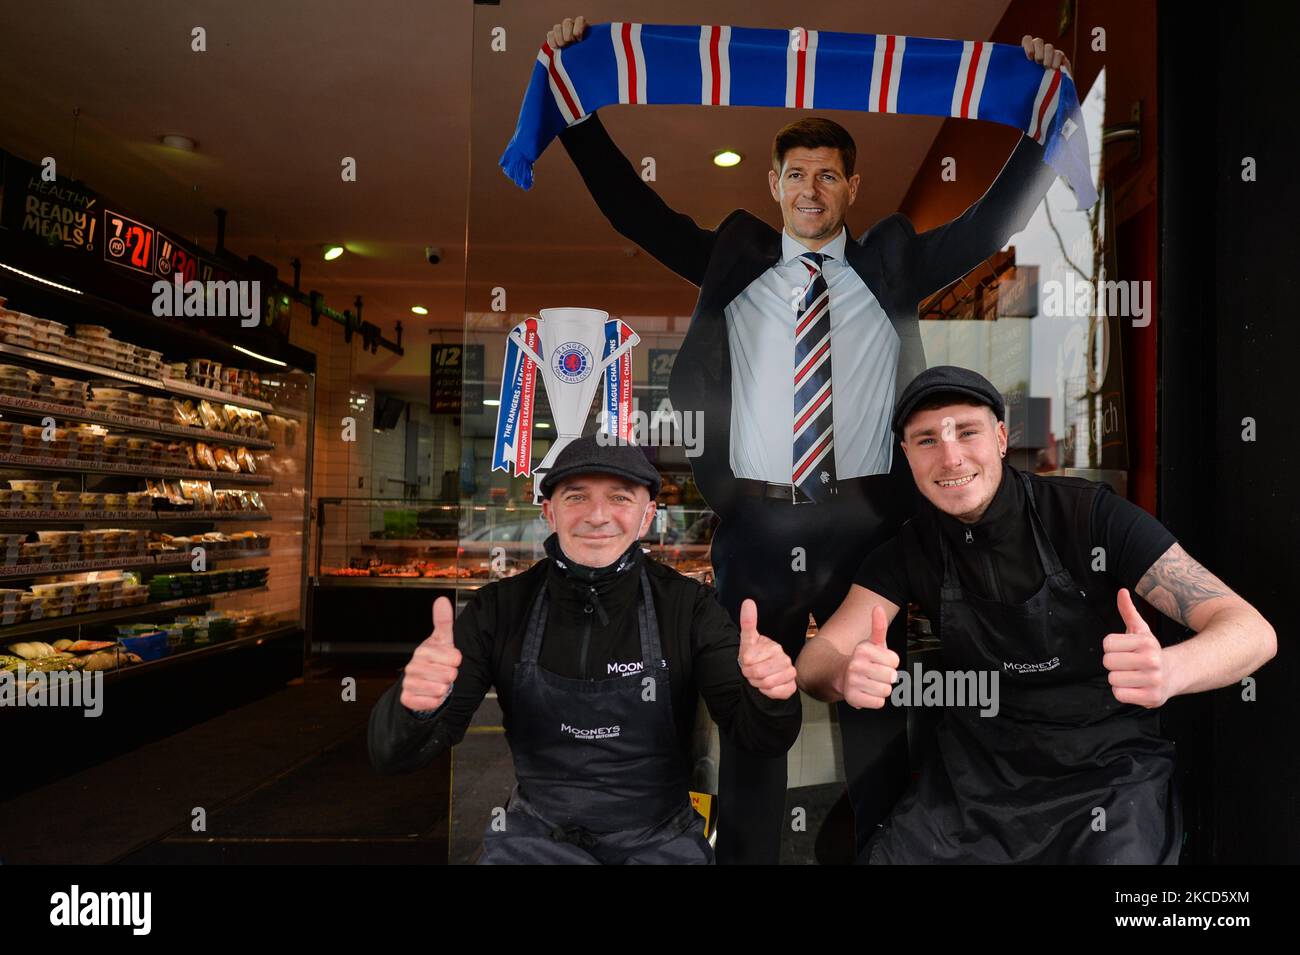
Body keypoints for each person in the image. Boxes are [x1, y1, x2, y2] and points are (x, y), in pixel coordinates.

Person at [549, 15, 1069, 862]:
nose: (812, 191)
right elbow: (633, 210)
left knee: (876, 715)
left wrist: (1045, 119)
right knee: (757, 719)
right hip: (758, 525)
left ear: (852, 186)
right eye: (797, 175)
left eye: (829, 176)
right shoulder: (735, 258)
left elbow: (989, 225)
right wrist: (574, 106)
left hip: (870, 524)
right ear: (775, 180)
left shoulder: (892, 262)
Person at [796, 366, 1278, 863]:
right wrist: (842, 675)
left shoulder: (1088, 517)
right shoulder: (909, 550)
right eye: (926, 441)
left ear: (1001, 437)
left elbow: (1251, 631)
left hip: (1105, 778)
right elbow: (816, 659)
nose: (951, 456)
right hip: (974, 787)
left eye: (967, 431)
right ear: (908, 458)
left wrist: (1173, 670)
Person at [368, 435, 802, 864]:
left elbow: (760, 739)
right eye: (576, 497)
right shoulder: (498, 609)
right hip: (536, 840)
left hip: (661, 839)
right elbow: (393, 757)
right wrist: (415, 708)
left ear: (647, 515)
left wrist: (772, 696)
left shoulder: (688, 607)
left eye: (620, 498)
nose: (598, 516)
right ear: (549, 512)